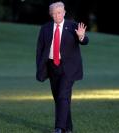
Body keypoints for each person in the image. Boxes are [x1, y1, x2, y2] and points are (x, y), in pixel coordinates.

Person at [36, 1, 89, 133]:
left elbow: (85, 41)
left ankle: (59, 128)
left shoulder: (73, 26)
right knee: (60, 98)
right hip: (52, 66)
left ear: (64, 12)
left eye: (59, 12)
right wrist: (40, 67)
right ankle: (68, 128)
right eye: (53, 13)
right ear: (51, 15)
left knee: (62, 96)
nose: (56, 16)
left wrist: (81, 36)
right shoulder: (45, 28)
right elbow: (40, 49)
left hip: (68, 68)